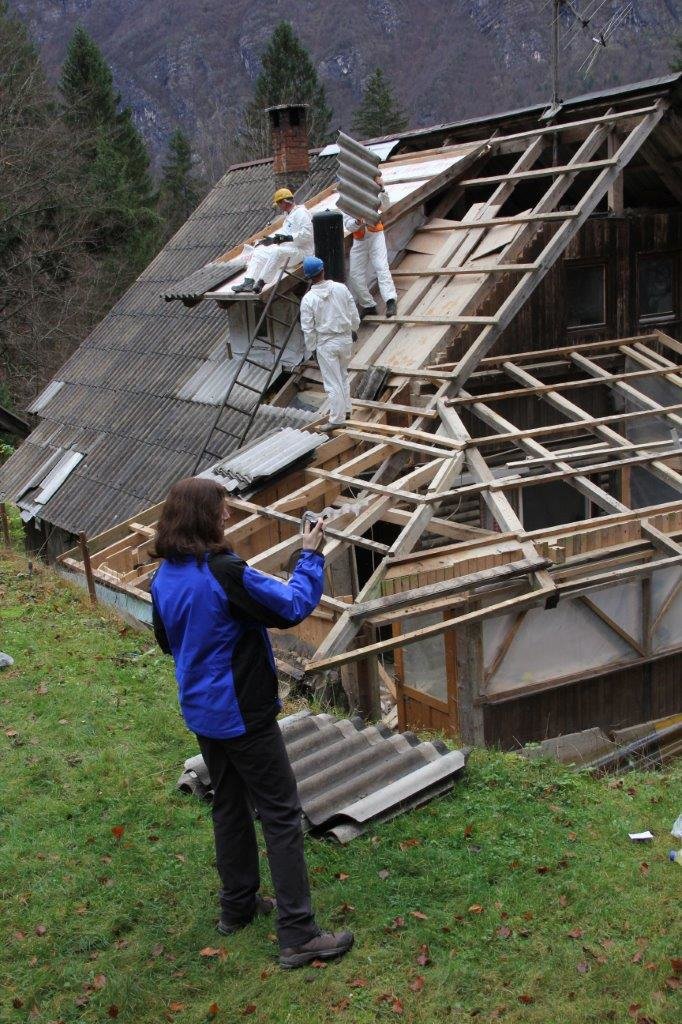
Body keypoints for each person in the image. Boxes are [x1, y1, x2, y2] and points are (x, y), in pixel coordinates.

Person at [150, 477, 354, 969]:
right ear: (204, 518)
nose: (228, 518)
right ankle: (298, 934)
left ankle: (237, 907)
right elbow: (290, 606)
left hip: (202, 711)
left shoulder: (164, 577)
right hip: (242, 713)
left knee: (229, 806)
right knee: (281, 815)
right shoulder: (223, 573)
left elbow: (166, 642)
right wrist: (310, 554)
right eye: (222, 511)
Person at [299, 255, 359, 428]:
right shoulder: (341, 288)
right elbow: (352, 311)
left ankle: (337, 419)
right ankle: (346, 409)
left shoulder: (308, 300)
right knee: (342, 375)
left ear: (308, 277)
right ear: (323, 270)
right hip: (345, 339)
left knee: (332, 382)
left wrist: (312, 349)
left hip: (326, 343)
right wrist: (354, 328)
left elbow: (308, 328)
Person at [233, 188, 314, 294]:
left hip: (302, 252)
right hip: (289, 250)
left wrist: (286, 238)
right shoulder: (289, 215)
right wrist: (273, 240)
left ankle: (261, 283)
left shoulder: (302, 213)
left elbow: (308, 234)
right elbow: (285, 235)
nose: (279, 207)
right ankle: (248, 282)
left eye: (279, 204)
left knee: (277, 252)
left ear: (284, 202)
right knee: (259, 252)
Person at [343, 173, 397, 319]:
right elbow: (348, 224)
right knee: (355, 275)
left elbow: (385, 206)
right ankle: (368, 305)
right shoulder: (348, 199)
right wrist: (356, 223)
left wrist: (382, 189)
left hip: (375, 235)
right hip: (360, 240)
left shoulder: (371, 191)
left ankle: (390, 300)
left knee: (381, 266)